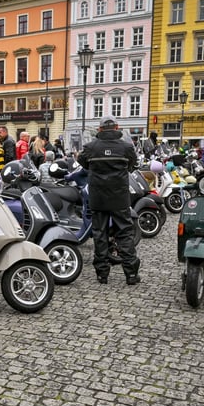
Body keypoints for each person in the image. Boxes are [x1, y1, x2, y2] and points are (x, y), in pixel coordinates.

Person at [76, 115, 140, 285]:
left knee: (100, 234)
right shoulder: (126, 147)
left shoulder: (91, 147)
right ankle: (131, 274)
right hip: (119, 196)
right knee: (125, 233)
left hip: (98, 196)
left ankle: (102, 274)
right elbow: (133, 165)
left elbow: (83, 163)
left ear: (100, 129)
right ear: (117, 128)